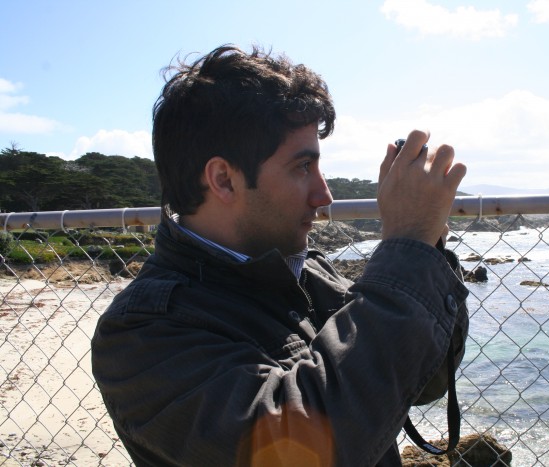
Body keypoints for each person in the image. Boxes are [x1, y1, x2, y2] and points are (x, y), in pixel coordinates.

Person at [91, 44, 469, 467]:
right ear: (223, 180)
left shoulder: (310, 272)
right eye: (303, 166)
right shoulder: (141, 334)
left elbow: (425, 381)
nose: (324, 195)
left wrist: (429, 249)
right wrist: (408, 246)